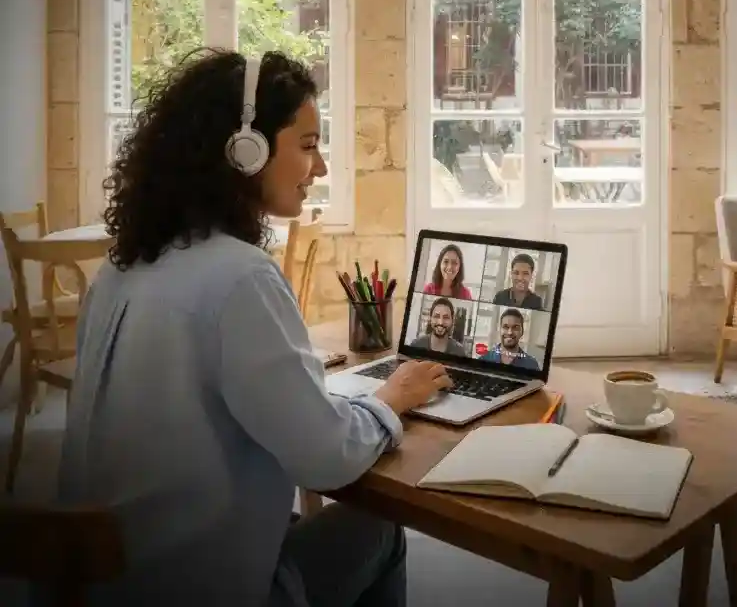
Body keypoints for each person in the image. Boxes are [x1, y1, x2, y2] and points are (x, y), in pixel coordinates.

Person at [57, 49, 452, 607]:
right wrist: (391, 398)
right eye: (309, 145)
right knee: (378, 532)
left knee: (288, 519)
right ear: (246, 150)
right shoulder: (242, 277)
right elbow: (326, 458)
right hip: (196, 589)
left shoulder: (120, 272)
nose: (320, 168)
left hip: (106, 581)